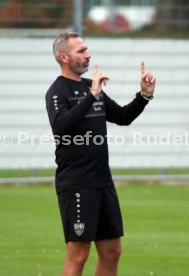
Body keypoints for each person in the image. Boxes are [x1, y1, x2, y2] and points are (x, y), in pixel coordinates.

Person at [45, 32, 156, 276]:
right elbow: (61, 127)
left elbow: (122, 117)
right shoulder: (57, 91)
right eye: (81, 51)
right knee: (79, 254)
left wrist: (144, 95)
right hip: (76, 183)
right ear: (64, 57)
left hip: (102, 182)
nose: (88, 54)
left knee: (112, 251)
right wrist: (91, 95)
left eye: (87, 49)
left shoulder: (89, 87)